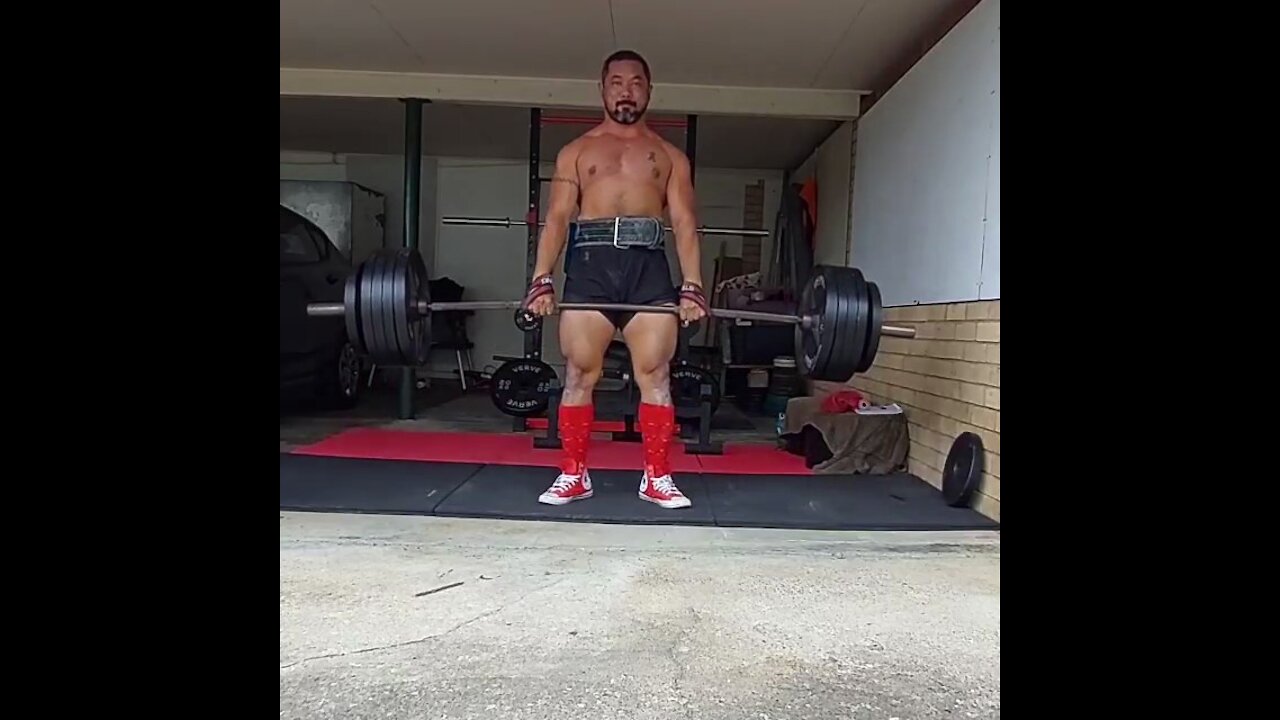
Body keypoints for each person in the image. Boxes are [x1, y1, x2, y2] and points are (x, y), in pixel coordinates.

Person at [522, 49, 708, 509]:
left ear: (650, 89)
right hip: (590, 267)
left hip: (648, 268)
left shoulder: (669, 157)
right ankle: (573, 474)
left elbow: (684, 223)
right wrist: (541, 279)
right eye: (617, 82)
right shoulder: (576, 152)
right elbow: (558, 218)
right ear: (602, 89)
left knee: (656, 373)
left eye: (637, 82)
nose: (627, 91)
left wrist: (692, 285)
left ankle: (657, 477)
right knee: (580, 373)